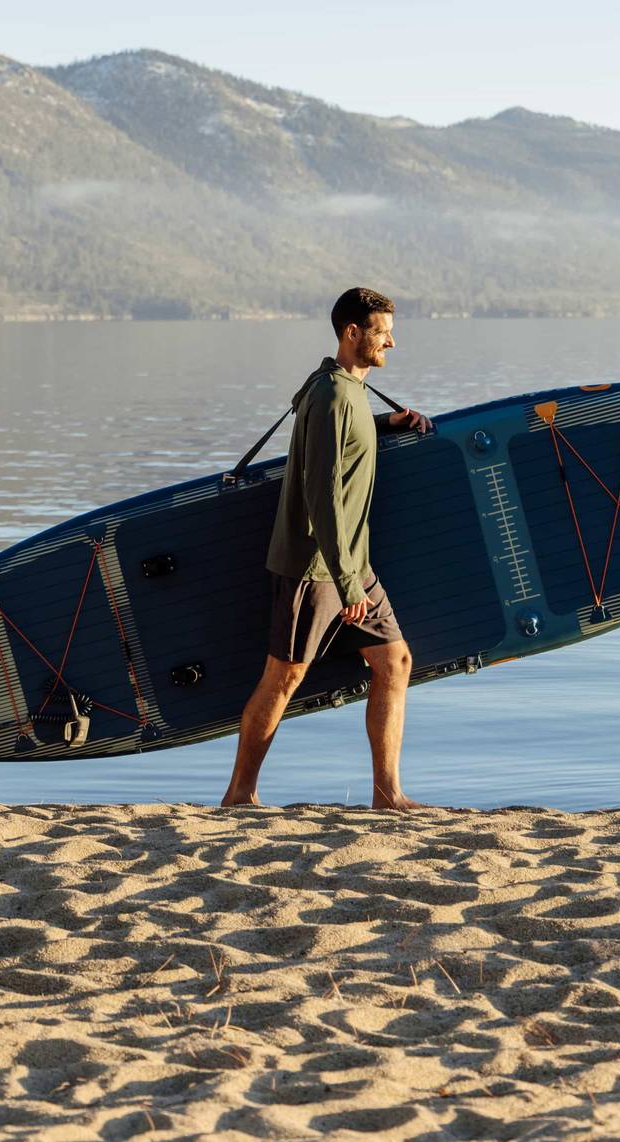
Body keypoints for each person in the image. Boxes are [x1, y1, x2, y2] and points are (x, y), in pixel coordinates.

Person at [220, 287, 431, 811]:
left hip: (350, 563)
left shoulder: (348, 391)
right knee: (285, 676)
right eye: (382, 332)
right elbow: (321, 495)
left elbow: (343, 441)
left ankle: (389, 795)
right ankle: (239, 795)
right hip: (316, 568)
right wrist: (346, 582)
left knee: (395, 661)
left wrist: (388, 424)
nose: (392, 342)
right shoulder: (332, 393)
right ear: (351, 332)